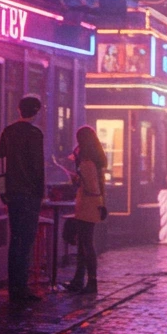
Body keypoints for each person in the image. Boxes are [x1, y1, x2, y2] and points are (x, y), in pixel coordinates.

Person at [0, 95, 45, 303]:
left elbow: (1, 163)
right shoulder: (35, 134)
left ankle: (13, 287)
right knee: (26, 240)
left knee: (15, 239)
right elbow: (37, 167)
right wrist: (40, 192)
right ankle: (21, 288)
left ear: (19, 110)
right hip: (29, 194)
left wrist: (3, 190)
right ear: (36, 112)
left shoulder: (8, 132)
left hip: (13, 192)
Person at [63, 126, 106, 294]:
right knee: (83, 243)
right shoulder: (96, 159)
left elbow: (91, 187)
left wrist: (77, 178)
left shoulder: (87, 163)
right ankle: (79, 279)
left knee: (86, 244)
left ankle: (90, 282)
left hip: (87, 205)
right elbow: (99, 186)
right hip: (95, 204)